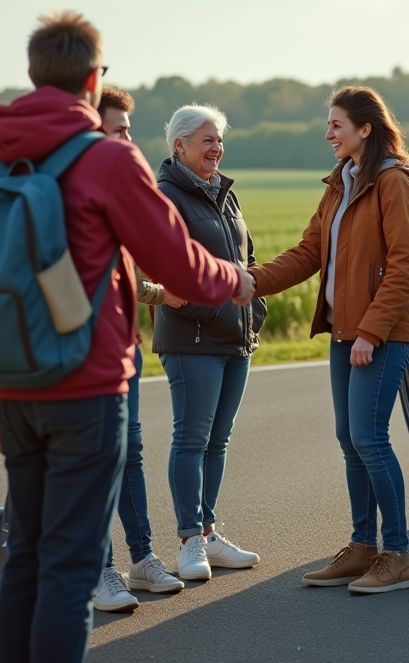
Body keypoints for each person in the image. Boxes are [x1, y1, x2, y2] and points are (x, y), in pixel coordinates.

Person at [0, 11, 255, 662]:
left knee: (28, 556)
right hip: (87, 385)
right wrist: (233, 278)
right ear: (93, 78)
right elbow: (177, 261)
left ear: (34, 74)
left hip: (12, 382)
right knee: (72, 570)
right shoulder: (107, 159)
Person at [249, 86, 409, 595]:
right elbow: (308, 252)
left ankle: (396, 555)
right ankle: (363, 546)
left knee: (369, 438)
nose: (328, 134)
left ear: (365, 129)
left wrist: (371, 331)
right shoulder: (340, 184)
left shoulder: (393, 182)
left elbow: (406, 265)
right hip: (345, 332)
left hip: (381, 335)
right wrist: (250, 281)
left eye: (336, 125)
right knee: (351, 440)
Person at [154, 104, 266, 581]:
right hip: (192, 339)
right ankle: (189, 542)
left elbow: (246, 257)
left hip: (235, 338)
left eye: (219, 139)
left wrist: (253, 309)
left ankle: (208, 531)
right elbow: (165, 274)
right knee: (192, 439)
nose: (217, 148)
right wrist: (218, 311)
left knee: (218, 441)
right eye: (207, 140)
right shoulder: (166, 197)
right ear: (179, 146)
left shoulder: (225, 193)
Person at [88, 86, 184, 612]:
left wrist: (158, 290)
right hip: (85, 353)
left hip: (125, 347)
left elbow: (125, 274)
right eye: (119, 130)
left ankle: (142, 559)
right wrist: (164, 292)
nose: (129, 139)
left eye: (129, 130)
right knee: (98, 459)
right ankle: (99, 570)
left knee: (130, 452)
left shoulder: (119, 190)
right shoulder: (78, 195)